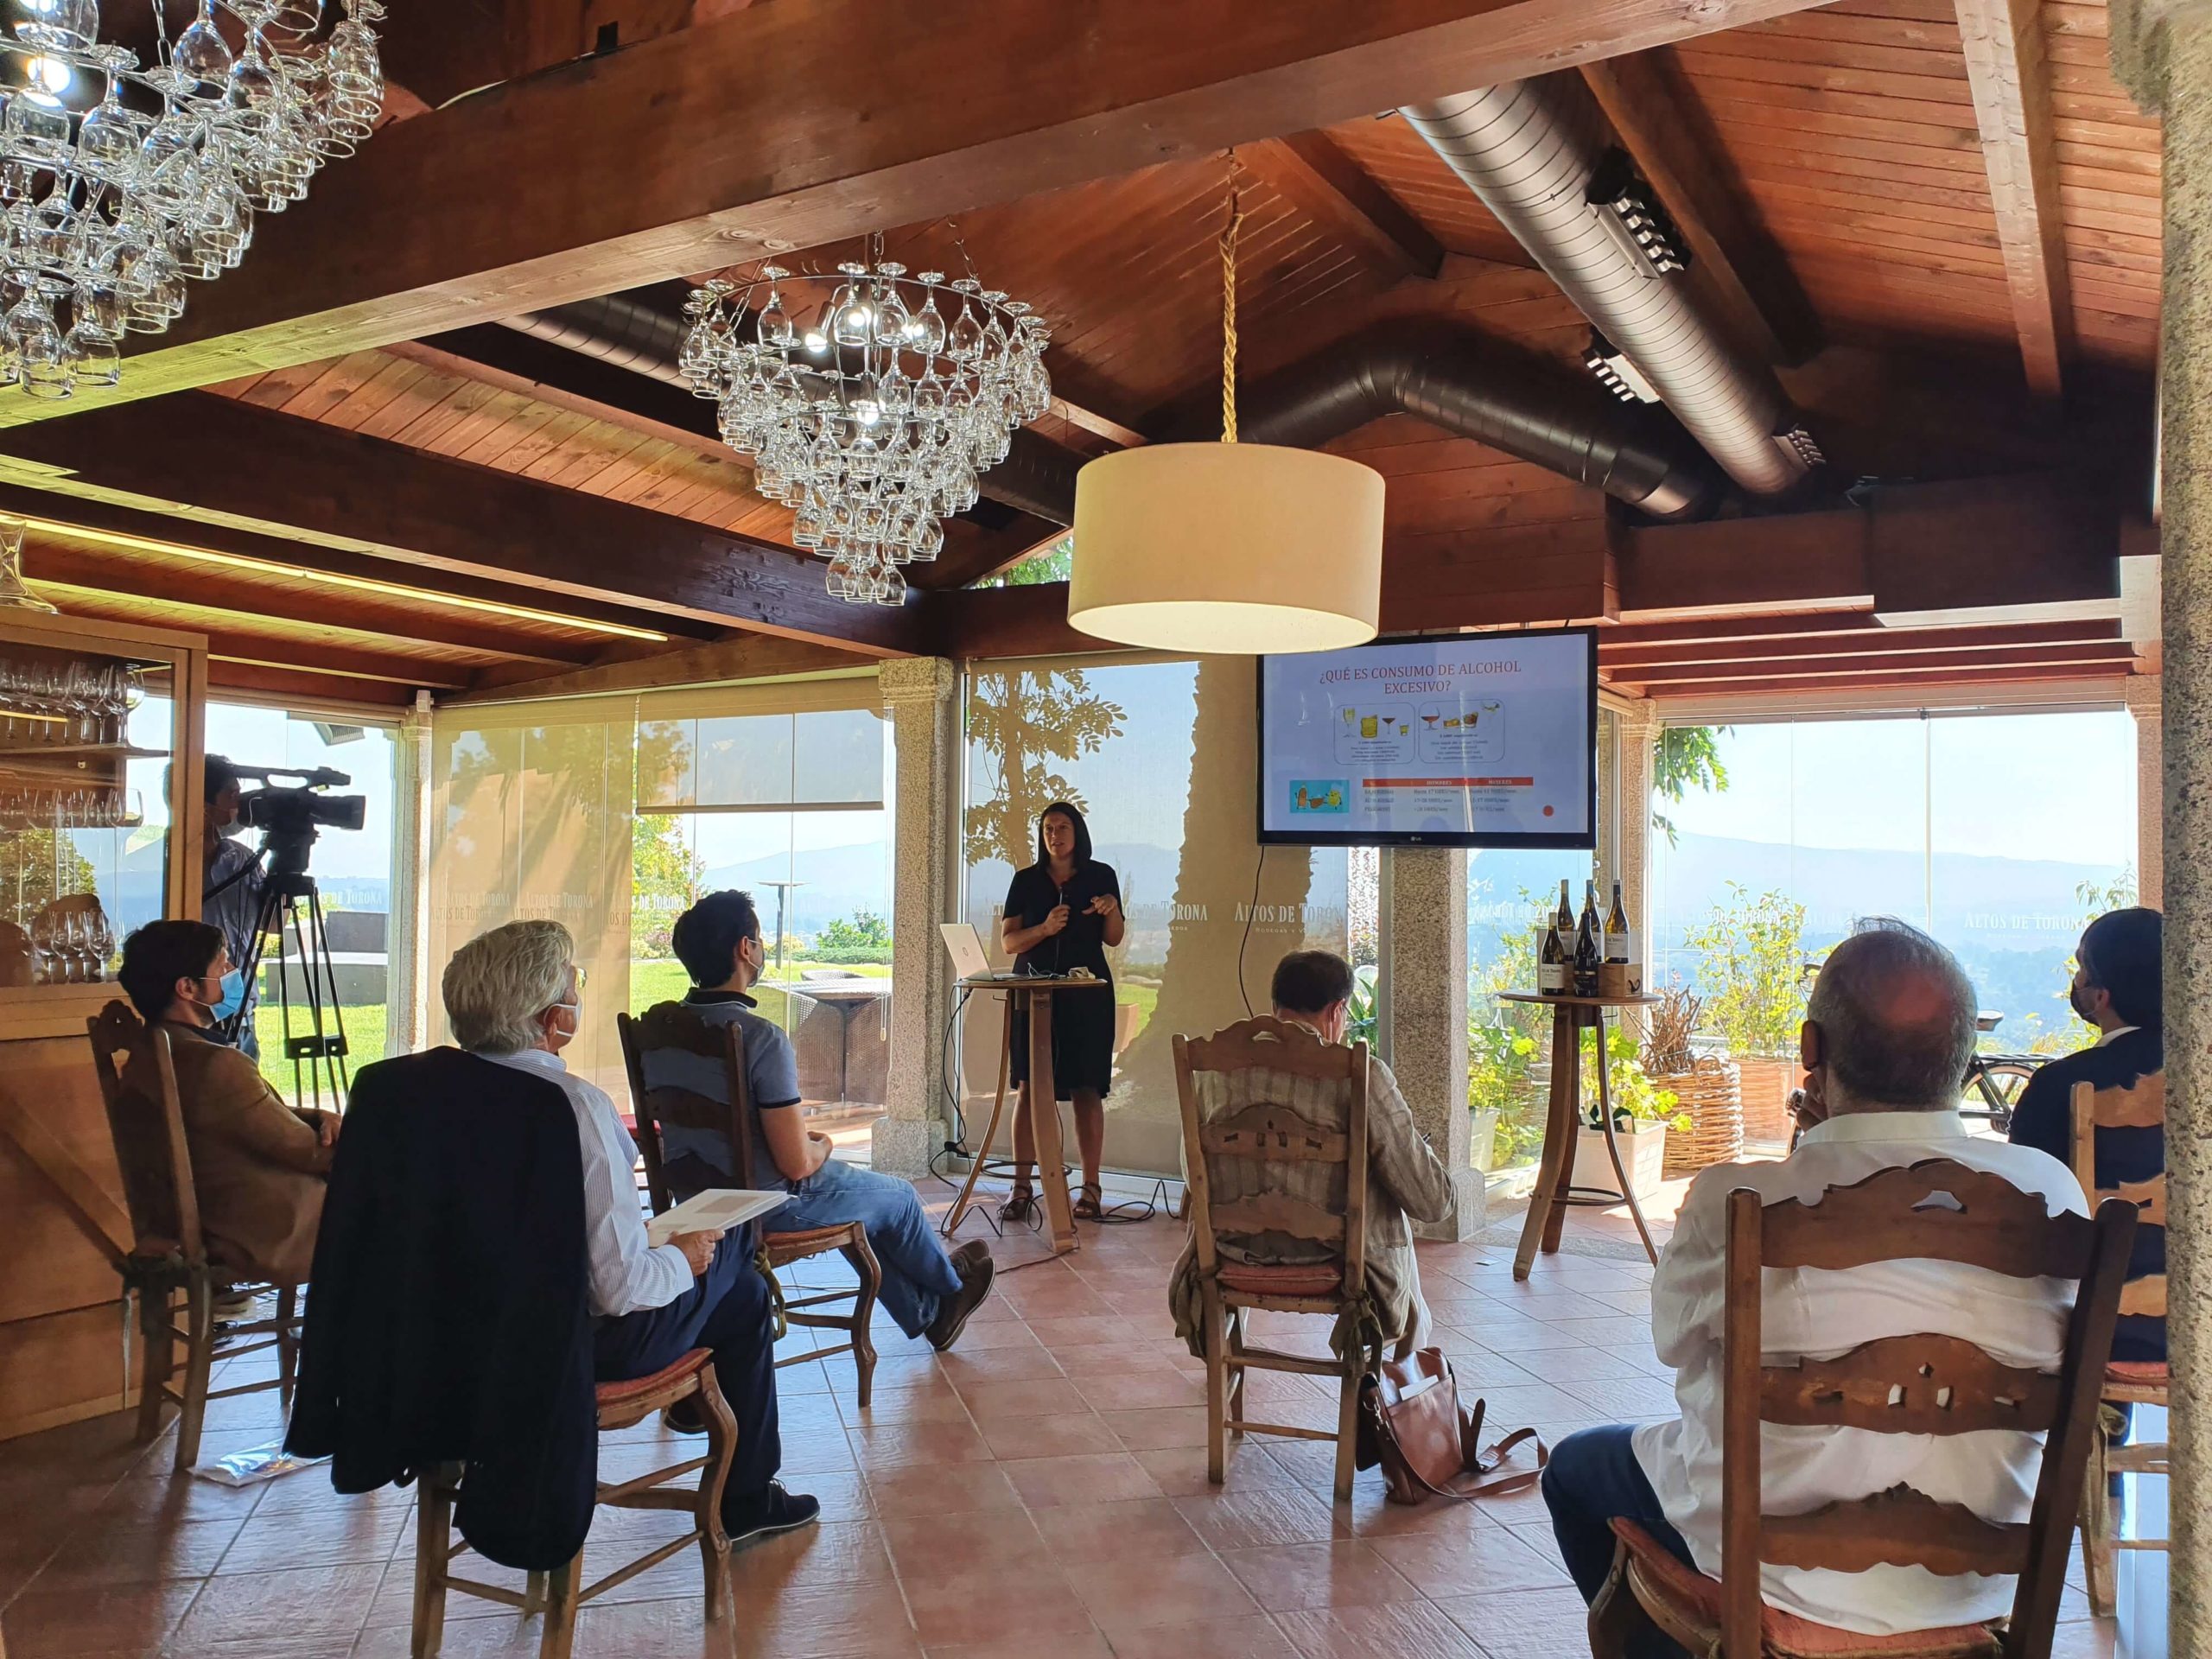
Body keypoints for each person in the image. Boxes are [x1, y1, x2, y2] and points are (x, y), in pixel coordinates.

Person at [1542, 919, 2088, 1653]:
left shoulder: (1737, 1201)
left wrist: (1809, 1157)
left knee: (1575, 1469)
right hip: (1982, 1578)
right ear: (1966, 1061)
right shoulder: (2050, 1192)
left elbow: (1672, 1342)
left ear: (1810, 1052)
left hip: (1779, 1578)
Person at [444, 919, 817, 1546]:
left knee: (738, 1295)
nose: (576, 996)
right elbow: (617, 1290)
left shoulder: (437, 1092)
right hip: (576, 1348)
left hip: (468, 1336)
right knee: (736, 1262)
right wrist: (685, 1257)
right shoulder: (575, 1108)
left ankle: (739, 1471)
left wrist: (647, 1240)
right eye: (573, 983)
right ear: (549, 1014)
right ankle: (747, 1494)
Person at [645, 890, 996, 1351]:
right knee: (900, 1198)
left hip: (695, 1203)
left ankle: (933, 1308)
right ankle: (949, 1292)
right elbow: (796, 1165)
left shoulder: (655, 1030)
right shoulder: (758, 1038)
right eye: (760, 938)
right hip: (769, 1205)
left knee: (869, 1204)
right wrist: (823, 1145)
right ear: (745, 950)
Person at [1169, 948, 1453, 1361]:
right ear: (1338, 1011)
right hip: (1335, 1258)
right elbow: (1431, 1201)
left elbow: (1189, 1173)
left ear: (1274, 1007)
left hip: (1232, 1250)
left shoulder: (1211, 1073)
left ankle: (1224, 1362)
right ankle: (1396, 1381)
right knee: (1393, 1210)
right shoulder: (1361, 1076)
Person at [117, 920, 335, 1285]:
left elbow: (244, 1114)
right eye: (223, 966)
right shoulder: (214, 1064)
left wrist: (317, 1115)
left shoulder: (154, 1050)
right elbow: (306, 1151)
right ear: (187, 988)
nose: (234, 975)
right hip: (268, 1230)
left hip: (205, 1218)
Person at [2008, 906, 2164, 1363]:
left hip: (2098, 1329)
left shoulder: (2060, 1087)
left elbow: (2027, 1213)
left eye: (2080, 971)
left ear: (2100, 996)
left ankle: (2104, 1432)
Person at [999, 801, 1122, 1221]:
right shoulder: (1026, 881)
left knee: (1087, 1088)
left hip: (1086, 997)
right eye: (1049, 828)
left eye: (1063, 827)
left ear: (1078, 832)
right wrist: (1045, 929)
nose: (1056, 835)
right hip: (1033, 993)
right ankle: (1021, 1189)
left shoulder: (1100, 876)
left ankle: (1090, 1188)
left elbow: (1115, 938)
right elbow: (1010, 943)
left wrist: (1111, 909)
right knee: (1029, 1086)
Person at [200, 755, 270, 1060]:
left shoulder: (241, 859)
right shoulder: (169, 862)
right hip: (195, 1016)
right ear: (202, 802)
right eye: (232, 796)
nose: (239, 806)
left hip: (240, 1013)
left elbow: (275, 924)